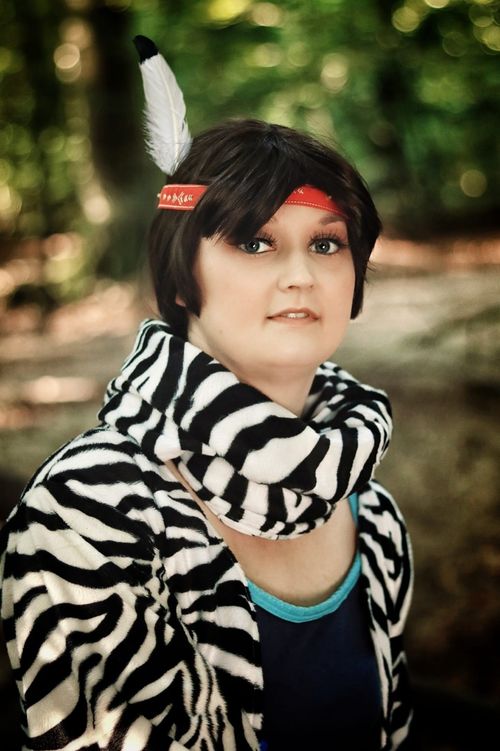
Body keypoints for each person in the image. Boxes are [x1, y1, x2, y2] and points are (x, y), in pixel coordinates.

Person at [0, 37, 413, 751]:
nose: (301, 275)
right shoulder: (86, 513)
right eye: (254, 242)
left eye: (326, 243)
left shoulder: (372, 512)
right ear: (182, 276)